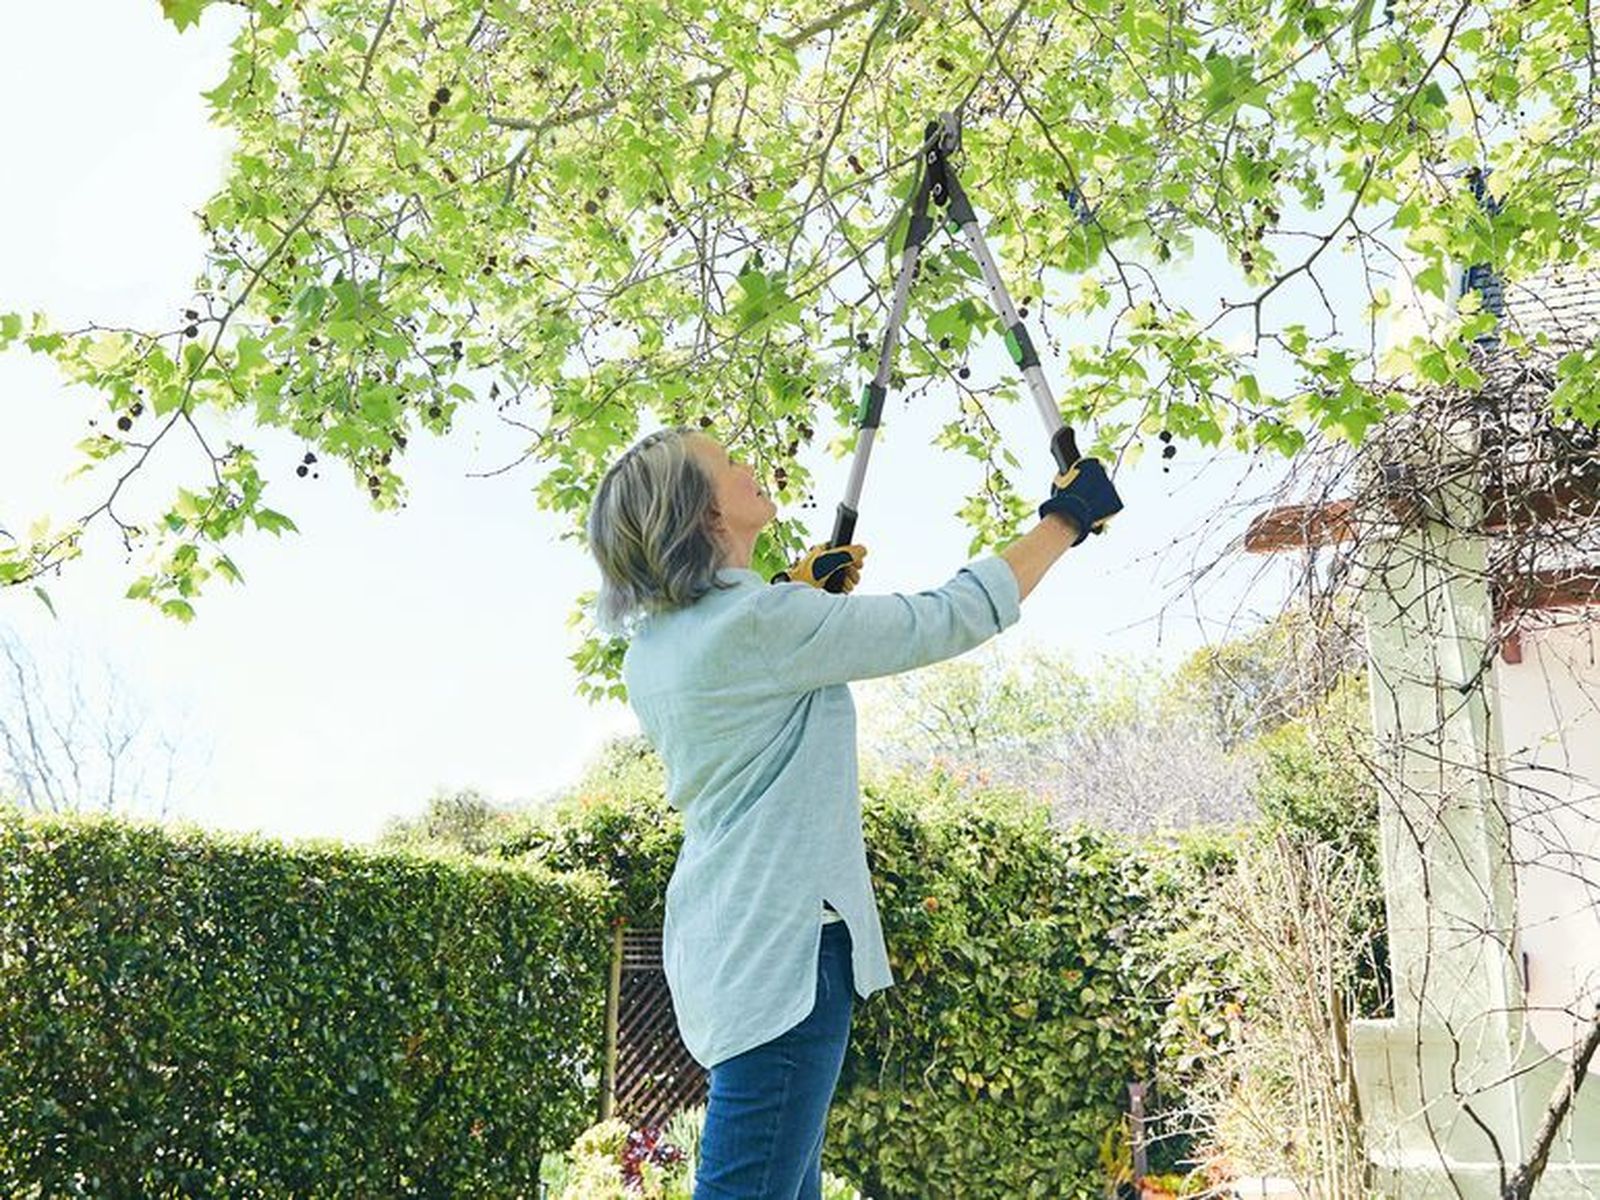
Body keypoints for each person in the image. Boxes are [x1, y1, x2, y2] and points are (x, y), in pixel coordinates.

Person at [585, 426, 1123, 1199]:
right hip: (788, 952)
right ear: (703, 513)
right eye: (727, 464)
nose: (747, 463)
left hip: (727, 944)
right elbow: (947, 617)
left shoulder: (656, 653)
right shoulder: (765, 627)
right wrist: (1066, 520)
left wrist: (792, 591)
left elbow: (749, 673)